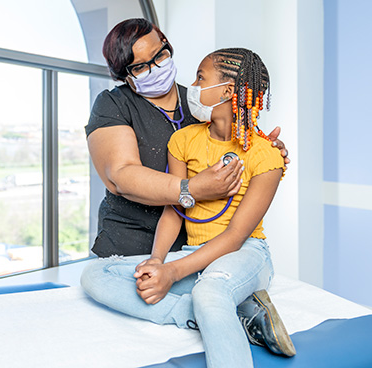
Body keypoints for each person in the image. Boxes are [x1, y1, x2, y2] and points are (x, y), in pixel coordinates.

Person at [82, 47, 296, 367]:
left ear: (226, 91)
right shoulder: (183, 140)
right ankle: (193, 315)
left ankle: (211, 305)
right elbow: (175, 209)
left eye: (200, 78)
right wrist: (157, 261)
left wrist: (173, 271)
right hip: (195, 251)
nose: (192, 87)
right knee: (97, 275)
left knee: (209, 291)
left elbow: (237, 235)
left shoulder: (267, 155)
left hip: (246, 252)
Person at [85, 18, 289, 258]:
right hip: (128, 244)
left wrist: (268, 148)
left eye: (159, 55)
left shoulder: (202, 101)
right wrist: (191, 189)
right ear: (124, 75)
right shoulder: (113, 104)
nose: (155, 68)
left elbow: (237, 148)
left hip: (196, 247)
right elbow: (120, 175)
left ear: (166, 45)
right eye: (139, 67)